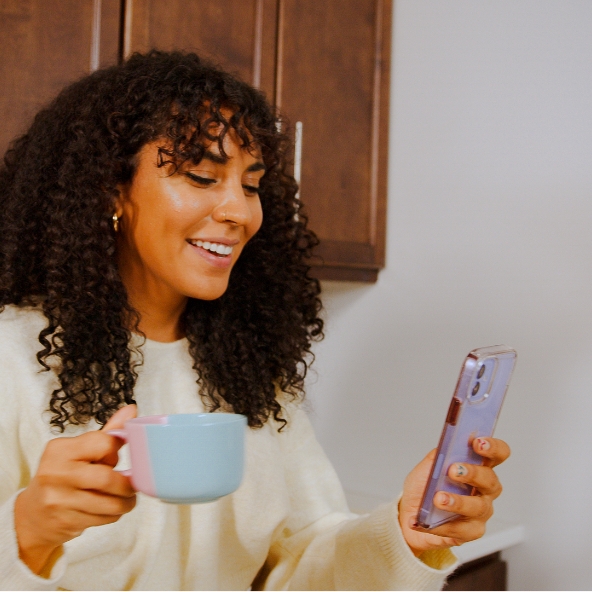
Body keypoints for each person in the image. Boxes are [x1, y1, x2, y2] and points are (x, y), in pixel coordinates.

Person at [0, 50, 509, 590]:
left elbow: (306, 554)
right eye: (200, 175)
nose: (240, 212)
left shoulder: (245, 365)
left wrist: (405, 534)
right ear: (112, 189)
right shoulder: (13, 354)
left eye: (250, 185)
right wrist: (26, 531)